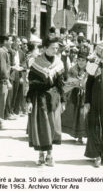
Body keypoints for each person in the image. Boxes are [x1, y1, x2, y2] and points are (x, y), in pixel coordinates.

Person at [26, 37, 65, 166]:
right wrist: (29, 101)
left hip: (53, 98)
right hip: (39, 98)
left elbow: (60, 84)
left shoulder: (59, 63)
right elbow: (31, 84)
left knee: (52, 126)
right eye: (53, 48)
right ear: (45, 48)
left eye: (57, 48)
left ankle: (50, 154)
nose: (56, 50)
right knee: (41, 126)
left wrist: (63, 101)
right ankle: (41, 155)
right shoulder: (37, 63)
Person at [61, 50, 89, 144]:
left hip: (86, 95)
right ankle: (79, 136)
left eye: (83, 60)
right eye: (79, 60)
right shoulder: (72, 69)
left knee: (84, 115)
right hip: (75, 94)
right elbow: (68, 82)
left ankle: (86, 135)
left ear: (86, 61)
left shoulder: (89, 70)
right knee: (76, 115)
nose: (81, 62)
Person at [0, 36, 11, 129]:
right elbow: (3, 68)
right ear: (5, 41)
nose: (11, 42)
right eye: (10, 40)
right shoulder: (2, 52)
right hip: (2, 81)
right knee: (1, 101)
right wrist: (7, 81)